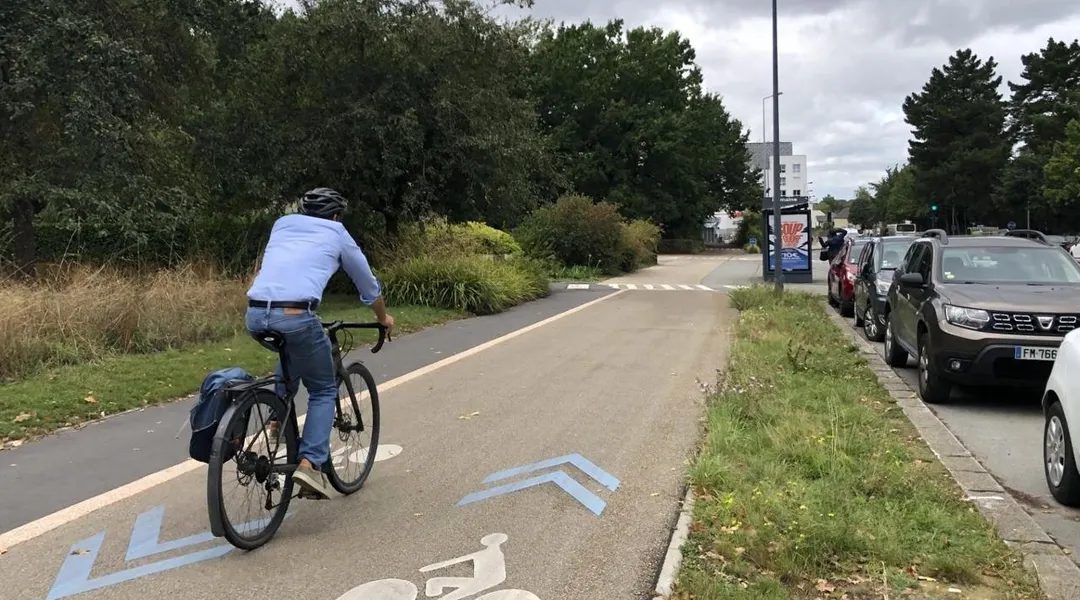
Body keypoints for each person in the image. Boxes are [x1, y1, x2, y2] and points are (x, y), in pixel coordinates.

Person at [246, 187, 394, 499]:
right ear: (336, 216)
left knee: (292, 352)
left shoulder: (282, 225)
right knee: (325, 388)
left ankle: (277, 418)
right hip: (297, 314)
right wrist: (383, 318)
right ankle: (311, 465)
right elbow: (368, 286)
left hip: (256, 314)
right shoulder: (337, 232)